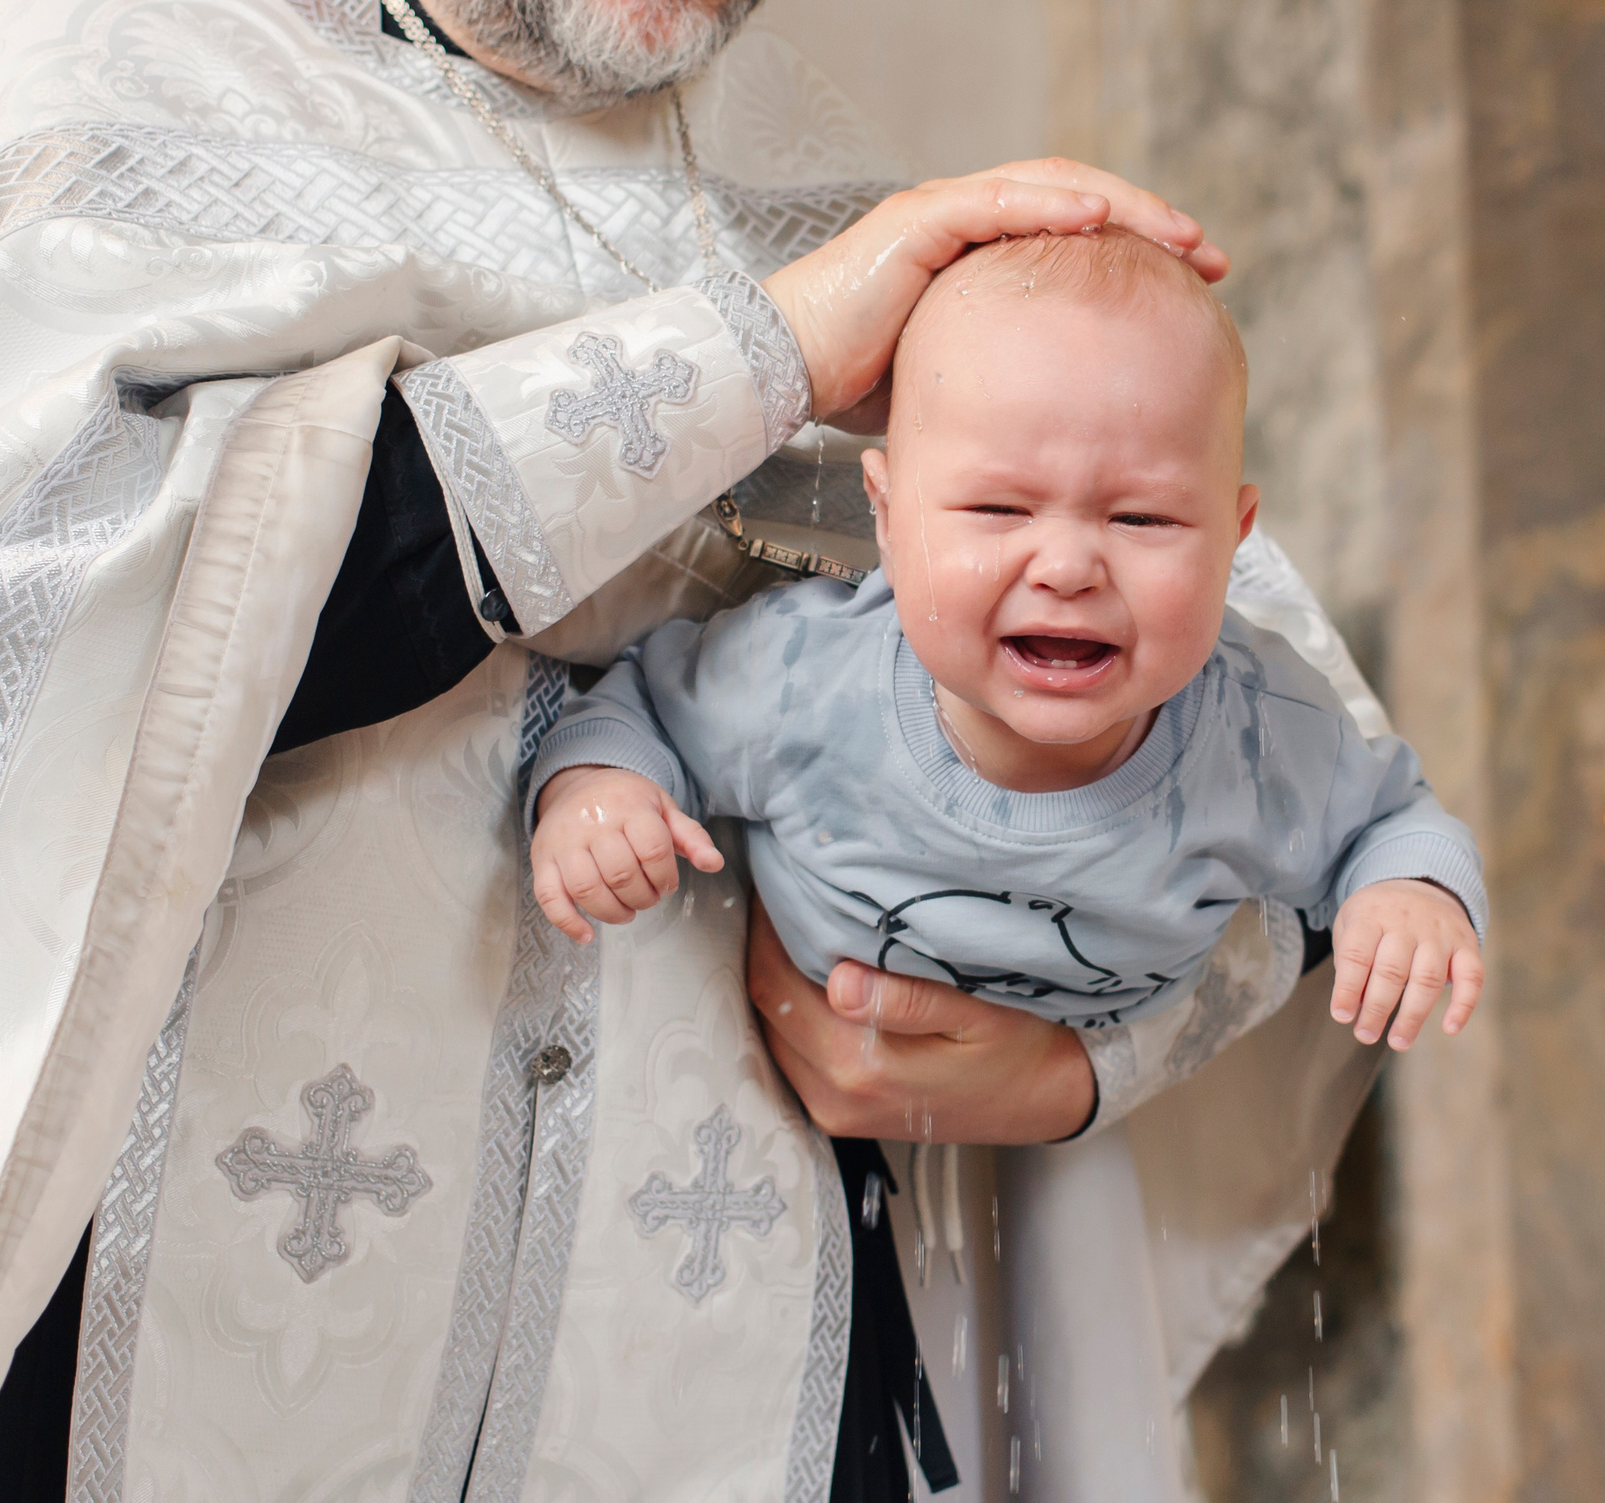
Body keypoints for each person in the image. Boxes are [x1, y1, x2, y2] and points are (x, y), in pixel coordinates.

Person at [0, 0, 1395, 1503]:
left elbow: (1281, 763)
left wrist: (1072, 1063)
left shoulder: (821, 186)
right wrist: (768, 352)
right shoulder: (111, 74)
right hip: (113, 1354)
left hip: (734, 1381)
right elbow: (32, 656)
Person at [533, 232, 1487, 1046]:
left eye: (1144, 519)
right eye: (998, 508)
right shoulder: (802, 680)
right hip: (807, 1051)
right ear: (887, 518)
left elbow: (1389, 821)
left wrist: (1409, 893)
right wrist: (600, 793)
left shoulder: (1259, 734)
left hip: (1099, 1077)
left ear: (1233, 540)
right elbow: (644, 708)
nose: (1068, 567)